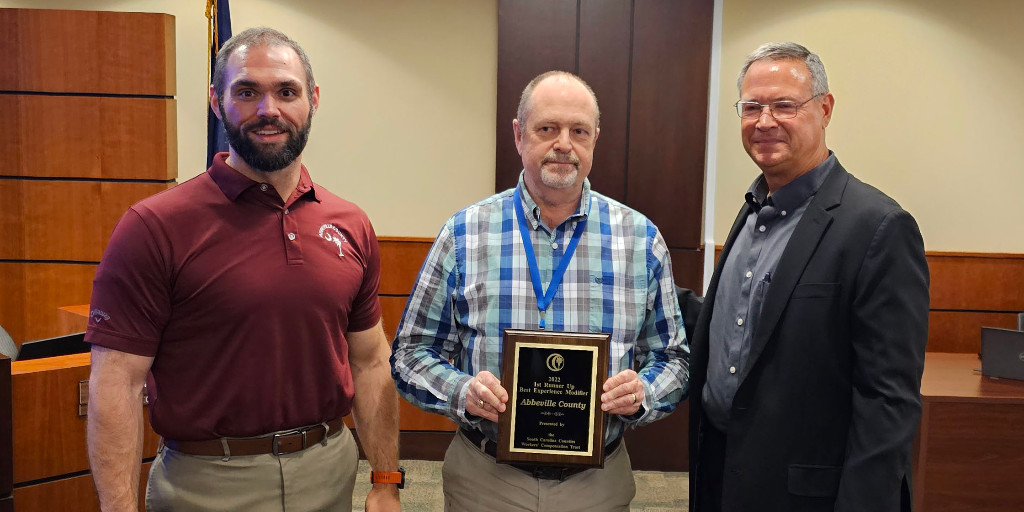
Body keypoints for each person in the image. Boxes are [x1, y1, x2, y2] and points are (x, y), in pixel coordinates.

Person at [85, 27, 401, 512]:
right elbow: (117, 386)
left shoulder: (351, 224)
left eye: (287, 91)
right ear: (216, 101)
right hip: (206, 483)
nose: (268, 109)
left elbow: (370, 361)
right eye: (247, 92)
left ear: (313, 100)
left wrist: (385, 478)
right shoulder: (153, 226)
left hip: (329, 470)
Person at [391, 70, 689, 512]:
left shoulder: (640, 239)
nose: (564, 143)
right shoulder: (464, 233)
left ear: (595, 139)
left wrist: (643, 392)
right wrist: (462, 391)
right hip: (486, 480)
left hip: (597, 483)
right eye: (547, 128)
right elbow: (410, 353)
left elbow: (675, 358)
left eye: (579, 131)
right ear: (518, 134)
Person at [686, 42, 929, 512]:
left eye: (784, 105)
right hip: (722, 473)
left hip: (808, 495)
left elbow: (888, 402)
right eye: (752, 107)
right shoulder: (753, 210)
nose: (765, 121)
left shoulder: (878, 227)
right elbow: (748, 328)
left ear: (825, 109)